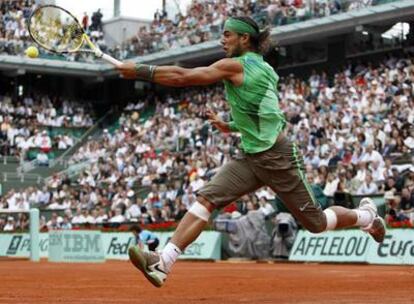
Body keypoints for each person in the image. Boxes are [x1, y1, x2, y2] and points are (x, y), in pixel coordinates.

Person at [117, 16, 386, 288]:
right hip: (250, 156)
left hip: (277, 156)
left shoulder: (236, 65)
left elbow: (183, 76)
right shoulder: (266, 68)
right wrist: (230, 125)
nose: (222, 40)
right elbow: (264, 113)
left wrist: (139, 70)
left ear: (244, 39)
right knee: (206, 199)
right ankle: (163, 262)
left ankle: (366, 216)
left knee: (316, 224)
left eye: (227, 35)